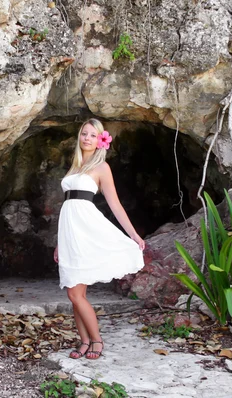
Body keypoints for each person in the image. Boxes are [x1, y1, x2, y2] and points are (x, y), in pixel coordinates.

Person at [53, 119, 145, 360]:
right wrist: (60, 243)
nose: (87, 138)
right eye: (84, 134)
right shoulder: (74, 166)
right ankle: (84, 341)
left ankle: (97, 340)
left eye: (93, 135)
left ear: (100, 140)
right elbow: (67, 208)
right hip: (69, 234)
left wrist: (133, 234)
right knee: (74, 294)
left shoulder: (102, 167)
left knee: (75, 294)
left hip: (87, 231)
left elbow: (114, 204)